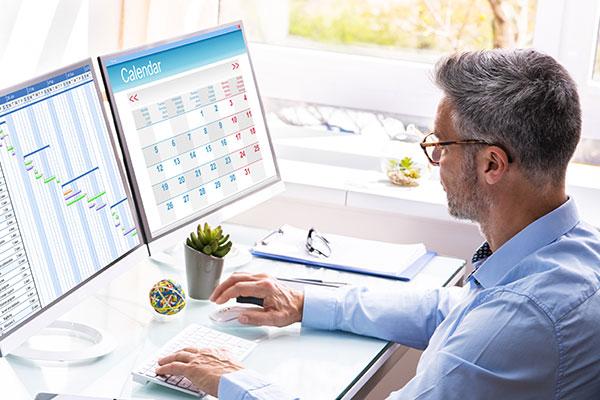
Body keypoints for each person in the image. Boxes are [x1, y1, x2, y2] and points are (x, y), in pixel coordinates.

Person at [155, 49, 600, 399]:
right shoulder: (571, 251)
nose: (436, 161)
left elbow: (493, 325)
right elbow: (454, 311)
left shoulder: (523, 321)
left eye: (441, 146)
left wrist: (233, 381)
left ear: (491, 163)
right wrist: (304, 302)